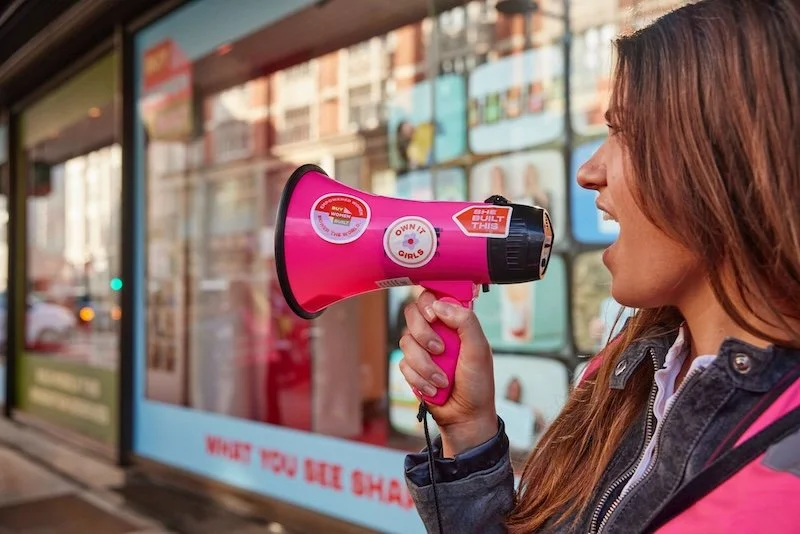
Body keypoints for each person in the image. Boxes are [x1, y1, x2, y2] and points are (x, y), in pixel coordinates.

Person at [397, 1, 800, 532]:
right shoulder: (622, 370)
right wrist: (469, 434)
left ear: (727, 159)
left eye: (626, 132)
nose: (589, 172)